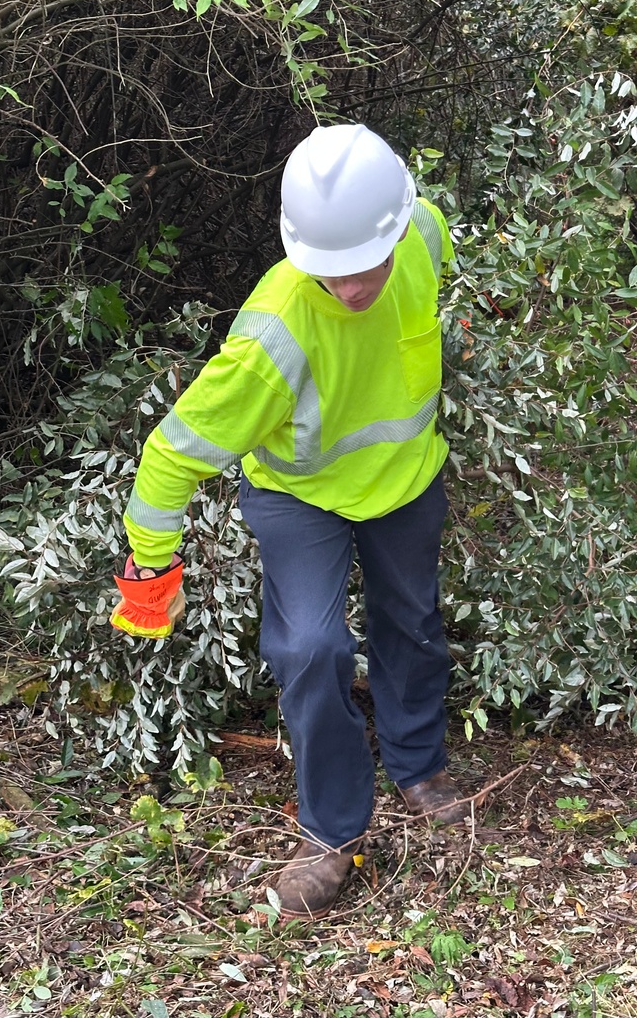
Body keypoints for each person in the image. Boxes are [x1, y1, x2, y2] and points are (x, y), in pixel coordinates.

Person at [110, 123, 470, 918]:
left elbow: (447, 256)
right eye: (330, 271)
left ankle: (418, 765)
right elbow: (172, 454)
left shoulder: (420, 233)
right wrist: (149, 565)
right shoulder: (273, 332)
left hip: (404, 481)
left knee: (412, 621)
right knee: (311, 645)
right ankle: (331, 829)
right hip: (299, 495)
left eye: (364, 265)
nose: (350, 287)